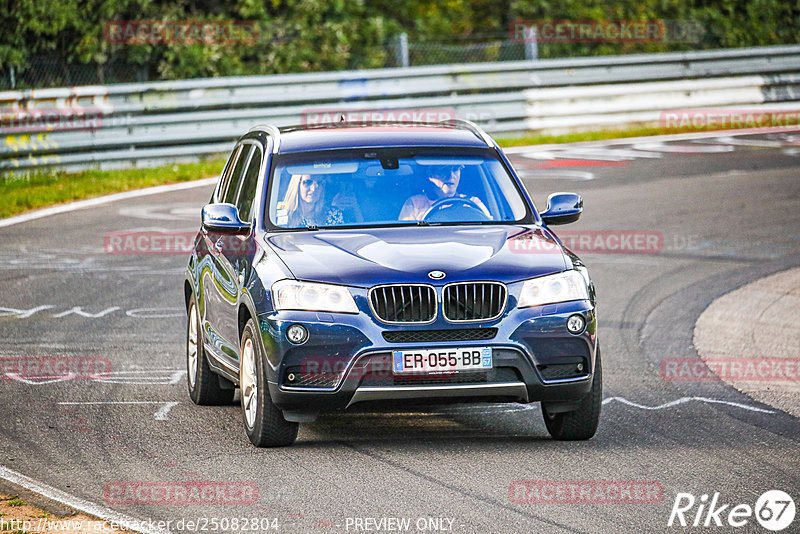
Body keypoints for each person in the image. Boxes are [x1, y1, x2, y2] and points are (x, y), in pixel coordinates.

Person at [398, 164, 489, 221]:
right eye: (444, 170)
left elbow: (489, 230)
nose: (451, 176)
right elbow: (405, 235)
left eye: (455, 170)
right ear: (431, 175)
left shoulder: (472, 203)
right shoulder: (414, 204)